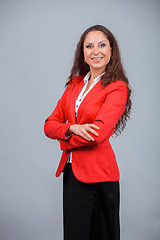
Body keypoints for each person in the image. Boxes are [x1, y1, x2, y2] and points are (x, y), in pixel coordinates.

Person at [44, 25, 132, 240]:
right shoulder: (73, 85)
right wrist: (71, 128)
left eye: (102, 45)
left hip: (100, 176)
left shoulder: (116, 87)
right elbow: (49, 124)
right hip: (72, 174)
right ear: (82, 53)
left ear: (111, 50)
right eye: (89, 46)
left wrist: (64, 140)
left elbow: (97, 134)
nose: (96, 51)